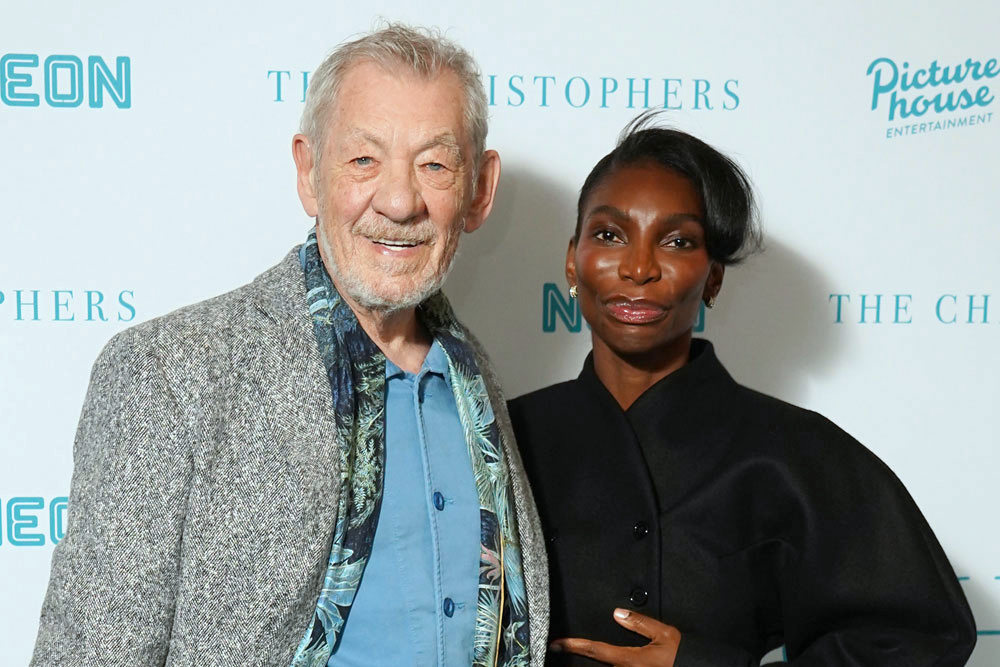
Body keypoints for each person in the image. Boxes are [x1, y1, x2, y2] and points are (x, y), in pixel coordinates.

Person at [31, 24, 547, 666]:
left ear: (479, 190)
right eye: (364, 160)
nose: (398, 200)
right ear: (308, 171)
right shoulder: (170, 373)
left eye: (435, 165)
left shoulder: (477, 385)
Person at [508, 114, 975, 666]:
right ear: (572, 258)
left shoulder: (792, 452)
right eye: (610, 235)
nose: (637, 268)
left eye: (677, 241)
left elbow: (920, 635)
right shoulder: (498, 439)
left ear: (712, 277)